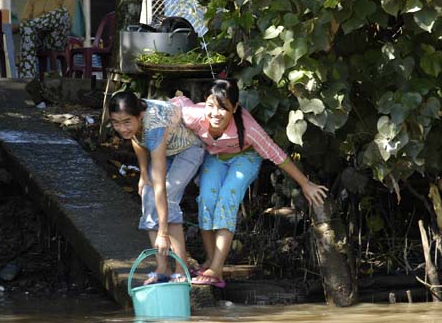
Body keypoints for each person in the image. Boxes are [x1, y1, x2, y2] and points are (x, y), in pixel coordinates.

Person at [174, 79, 328, 288]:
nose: (215, 113)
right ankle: (211, 261)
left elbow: (277, 155)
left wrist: (304, 183)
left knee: (227, 197)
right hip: (216, 158)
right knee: (207, 199)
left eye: (223, 108)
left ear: (235, 108)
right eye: (211, 106)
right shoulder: (197, 116)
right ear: (204, 103)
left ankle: (217, 269)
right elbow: (178, 105)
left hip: (245, 158)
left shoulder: (248, 128)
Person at [109, 91, 204, 284]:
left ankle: (181, 267)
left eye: (127, 122)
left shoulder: (155, 124)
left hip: (189, 149)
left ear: (140, 116)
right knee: (147, 196)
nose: (121, 128)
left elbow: (160, 186)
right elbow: (137, 139)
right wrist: (143, 174)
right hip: (163, 149)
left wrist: (163, 233)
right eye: (116, 123)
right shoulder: (136, 120)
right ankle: (163, 268)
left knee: (167, 195)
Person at [17, 0, 76, 80]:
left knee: (61, 14)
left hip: (56, 39)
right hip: (36, 40)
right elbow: (24, 20)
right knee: (27, 30)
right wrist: (32, 26)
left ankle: (32, 26)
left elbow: (66, 18)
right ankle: (27, 79)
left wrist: (34, 24)